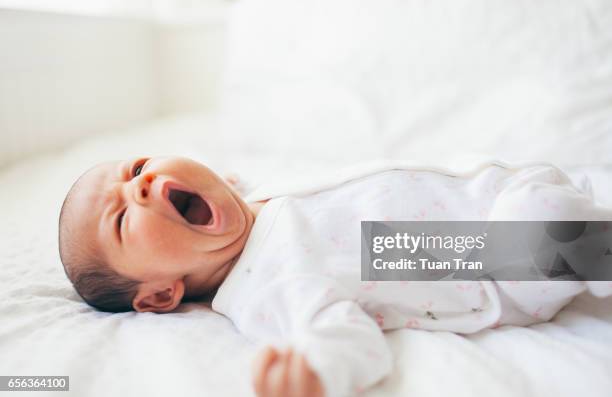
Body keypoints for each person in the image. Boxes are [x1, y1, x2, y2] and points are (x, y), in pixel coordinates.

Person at [58, 156, 612, 397]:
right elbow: (341, 335)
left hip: (495, 190)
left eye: (136, 168)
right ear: (160, 294)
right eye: (124, 217)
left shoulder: (253, 200)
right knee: (560, 232)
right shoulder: (267, 283)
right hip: (487, 262)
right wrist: (319, 371)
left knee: (562, 203)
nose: (144, 183)